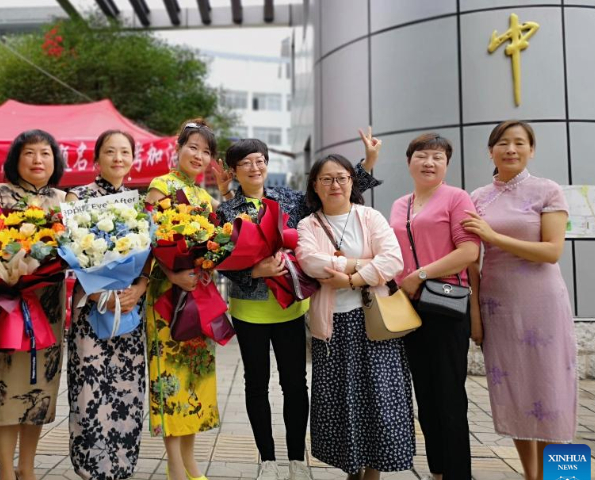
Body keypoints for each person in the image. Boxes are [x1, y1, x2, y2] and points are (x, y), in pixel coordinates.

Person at [215, 129, 383, 480]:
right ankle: (267, 459)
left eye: (260, 161)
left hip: (291, 308)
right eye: (245, 163)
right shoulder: (225, 211)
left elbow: (335, 192)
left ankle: (295, 457)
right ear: (233, 171)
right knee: (255, 384)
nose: (254, 167)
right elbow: (219, 260)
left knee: (294, 384)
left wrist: (367, 161)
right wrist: (253, 271)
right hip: (248, 311)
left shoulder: (289, 199)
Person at [462, 120, 576, 480]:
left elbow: (551, 251)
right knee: (513, 389)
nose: (511, 149)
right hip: (499, 305)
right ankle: (530, 475)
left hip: (542, 302)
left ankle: (554, 474)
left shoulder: (548, 190)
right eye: (503, 143)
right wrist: (476, 315)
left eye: (520, 143)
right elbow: (472, 263)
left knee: (550, 387)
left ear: (531, 150)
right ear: (491, 151)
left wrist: (494, 235)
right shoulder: (477, 197)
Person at [296, 154, 412, 479]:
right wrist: (365, 263)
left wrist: (351, 275)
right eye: (327, 179)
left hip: (376, 322)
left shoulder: (370, 217)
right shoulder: (308, 225)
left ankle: (373, 473)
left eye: (342, 177)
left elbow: (394, 261)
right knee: (342, 404)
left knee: (380, 400)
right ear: (315, 186)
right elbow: (309, 262)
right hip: (333, 326)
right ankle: (351, 470)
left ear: (352, 182)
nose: (335, 184)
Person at [0, 129, 67, 480]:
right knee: (6, 388)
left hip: (47, 307)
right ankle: (5, 470)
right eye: (29, 153)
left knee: (38, 388)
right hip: (4, 304)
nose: (38, 160)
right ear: (16, 159)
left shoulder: (64, 200)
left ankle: (27, 468)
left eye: (45, 153)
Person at [388, 133, 480, 480]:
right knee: (424, 393)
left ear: (446, 164)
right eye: (422, 156)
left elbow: (469, 252)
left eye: (438, 157)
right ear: (409, 161)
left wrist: (420, 275)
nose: (429, 162)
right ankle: (438, 470)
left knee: (449, 394)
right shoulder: (400, 204)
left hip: (445, 304)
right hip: (410, 306)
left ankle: (458, 474)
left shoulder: (458, 198)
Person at [65, 130, 150, 480]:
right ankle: (90, 469)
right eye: (110, 152)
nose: (117, 158)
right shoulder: (79, 197)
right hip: (91, 309)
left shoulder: (140, 202)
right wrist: (98, 291)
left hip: (129, 310)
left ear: (133, 158)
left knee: (127, 392)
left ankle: (121, 468)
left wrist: (140, 288)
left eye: (124, 152)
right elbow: (69, 255)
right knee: (90, 392)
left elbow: (151, 260)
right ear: (96, 158)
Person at [145, 119, 225, 480]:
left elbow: (212, 246)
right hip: (166, 300)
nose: (199, 156)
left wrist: (209, 261)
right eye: (193, 147)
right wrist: (172, 273)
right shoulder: (160, 187)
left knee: (195, 382)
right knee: (169, 382)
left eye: (206, 152)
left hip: (197, 297)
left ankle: (190, 463)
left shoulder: (204, 197)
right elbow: (146, 245)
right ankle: (175, 466)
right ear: (177, 149)